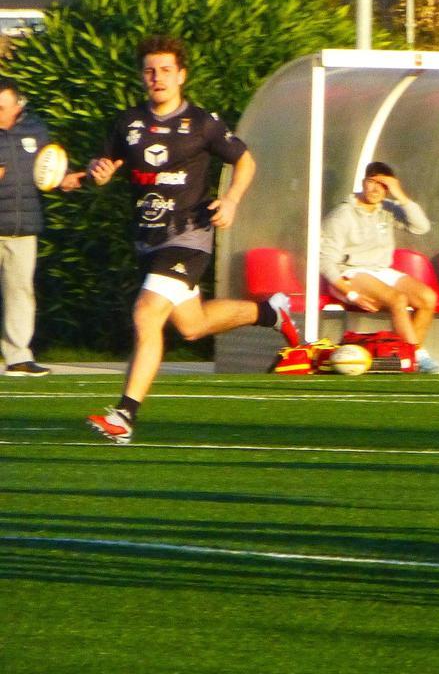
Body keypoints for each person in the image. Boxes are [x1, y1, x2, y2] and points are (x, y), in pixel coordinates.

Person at [84, 35, 299, 444]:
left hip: (189, 235)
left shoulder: (202, 123)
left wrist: (231, 200)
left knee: (147, 313)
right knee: (193, 325)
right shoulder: (128, 123)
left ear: (181, 76)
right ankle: (271, 313)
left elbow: (245, 160)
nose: (158, 77)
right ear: (141, 76)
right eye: (150, 70)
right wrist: (97, 171)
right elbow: (105, 164)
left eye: (166, 70)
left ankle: (124, 416)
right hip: (148, 240)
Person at [320, 161, 439, 374]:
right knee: (398, 299)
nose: (376, 189)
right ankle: (418, 356)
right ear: (363, 182)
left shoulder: (387, 209)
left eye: (383, 185)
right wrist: (351, 294)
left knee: (428, 298)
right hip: (349, 273)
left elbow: (422, 227)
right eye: (372, 182)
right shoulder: (342, 214)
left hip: (380, 270)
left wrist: (400, 195)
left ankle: (406, 357)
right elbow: (325, 260)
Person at [0, 78, 86, 376]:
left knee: (20, 292)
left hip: (23, 227)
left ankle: (18, 357)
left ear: (17, 106)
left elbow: (48, 168)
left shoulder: (35, 129)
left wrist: (65, 180)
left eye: (2, 108)